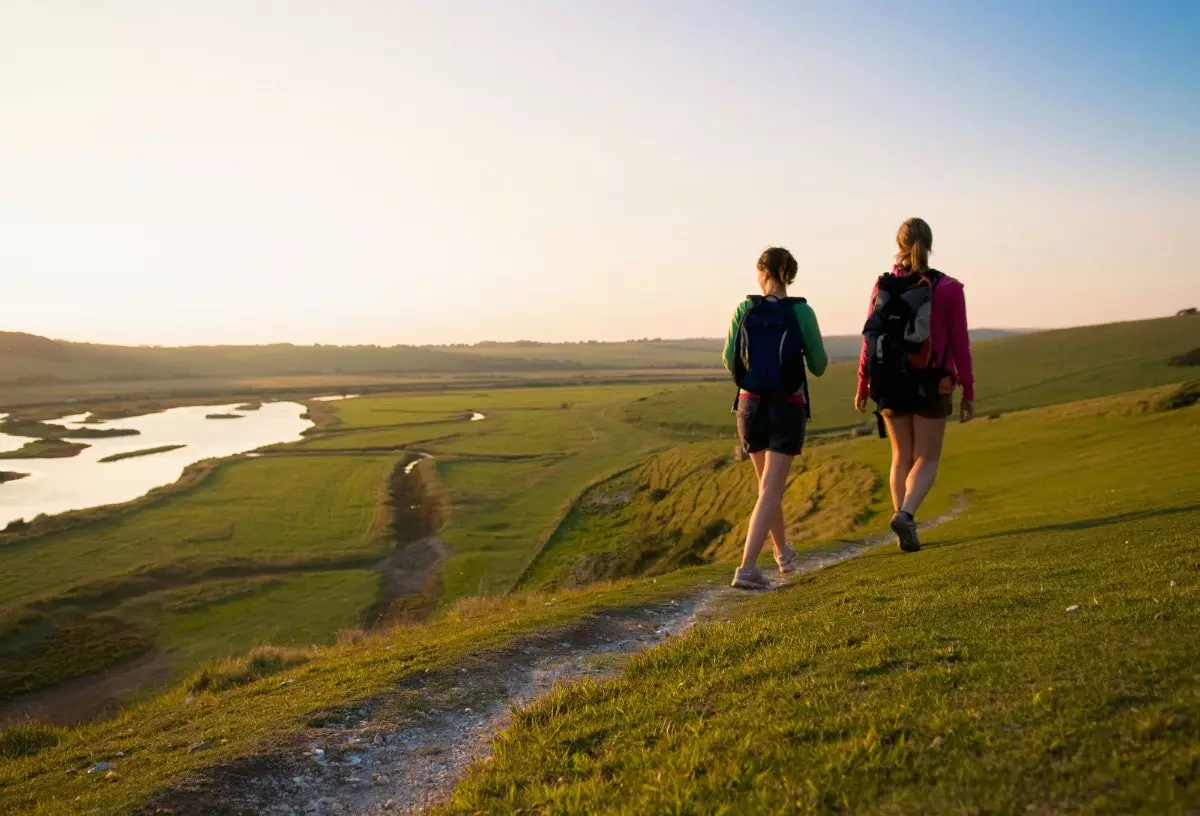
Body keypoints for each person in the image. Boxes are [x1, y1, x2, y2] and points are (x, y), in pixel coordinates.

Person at [855, 217, 974, 553]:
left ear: (899, 245)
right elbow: (960, 344)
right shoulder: (949, 289)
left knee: (900, 456)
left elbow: (869, 338)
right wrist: (969, 390)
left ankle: (902, 527)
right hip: (932, 379)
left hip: (889, 380)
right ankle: (906, 515)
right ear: (930, 244)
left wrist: (863, 383)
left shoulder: (882, 287)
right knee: (928, 456)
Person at [722, 247, 828, 590]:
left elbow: (729, 360)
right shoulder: (801, 311)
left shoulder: (744, 308)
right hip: (786, 405)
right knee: (770, 489)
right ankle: (747, 569)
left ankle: (783, 554)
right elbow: (820, 365)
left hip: (748, 406)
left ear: (762, 272)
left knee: (767, 488)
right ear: (788, 274)